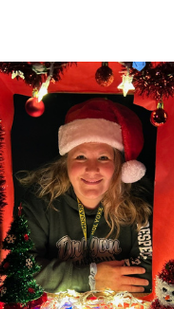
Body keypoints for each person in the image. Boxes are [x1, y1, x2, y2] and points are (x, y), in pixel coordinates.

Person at [15, 99, 152, 294]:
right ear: (66, 162)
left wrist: (56, 277)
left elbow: (151, 271)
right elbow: (22, 268)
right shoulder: (40, 201)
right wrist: (91, 278)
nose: (92, 169)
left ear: (120, 165)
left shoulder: (140, 203)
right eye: (81, 156)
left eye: (103, 157)